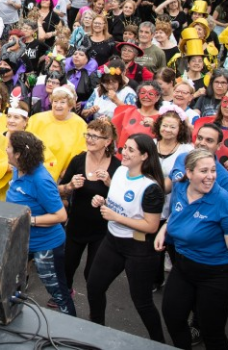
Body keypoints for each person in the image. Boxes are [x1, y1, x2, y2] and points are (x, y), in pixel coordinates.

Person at [157, 149, 228, 350]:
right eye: (204, 171)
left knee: (211, 331)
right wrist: (164, 228)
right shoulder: (180, 187)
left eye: (213, 170)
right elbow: (178, 213)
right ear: (189, 173)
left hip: (217, 273)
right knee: (172, 316)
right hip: (184, 264)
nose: (211, 176)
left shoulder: (224, 202)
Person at [87, 134, 166, 342]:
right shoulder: (121, 171)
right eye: (125, 148)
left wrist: (116, 217)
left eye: (131, 150)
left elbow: (151, 226)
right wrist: (101, 200)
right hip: (112, 241)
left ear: (144, 156)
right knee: (94, 287)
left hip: (139, 249)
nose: (125, 153)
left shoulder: (151, 188)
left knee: (142, 302)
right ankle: (96, 334)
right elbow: (116, 200)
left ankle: (159, 343)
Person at [6, 131, 77, 316]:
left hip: (46, 247)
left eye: (9, 148)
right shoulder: (18, 168)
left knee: (58, 293)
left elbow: (61, 216)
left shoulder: (40, 179)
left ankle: (73, 332)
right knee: (12, 282)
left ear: (19, 154)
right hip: (24, 242)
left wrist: (29, 220)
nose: (6, 150)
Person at [58, 118, 121, 300]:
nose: (90, 139)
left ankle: (95, 310)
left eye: (96, 136)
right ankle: (64, 297)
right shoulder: (78, 160)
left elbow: (123, 201)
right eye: (88, 135)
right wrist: (70, 186)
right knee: (67, 267)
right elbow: (59, 190)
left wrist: (109, 184)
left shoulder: (117, 166)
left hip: (102, 231)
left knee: (92, 274)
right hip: (76, 226)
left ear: (107, 141)